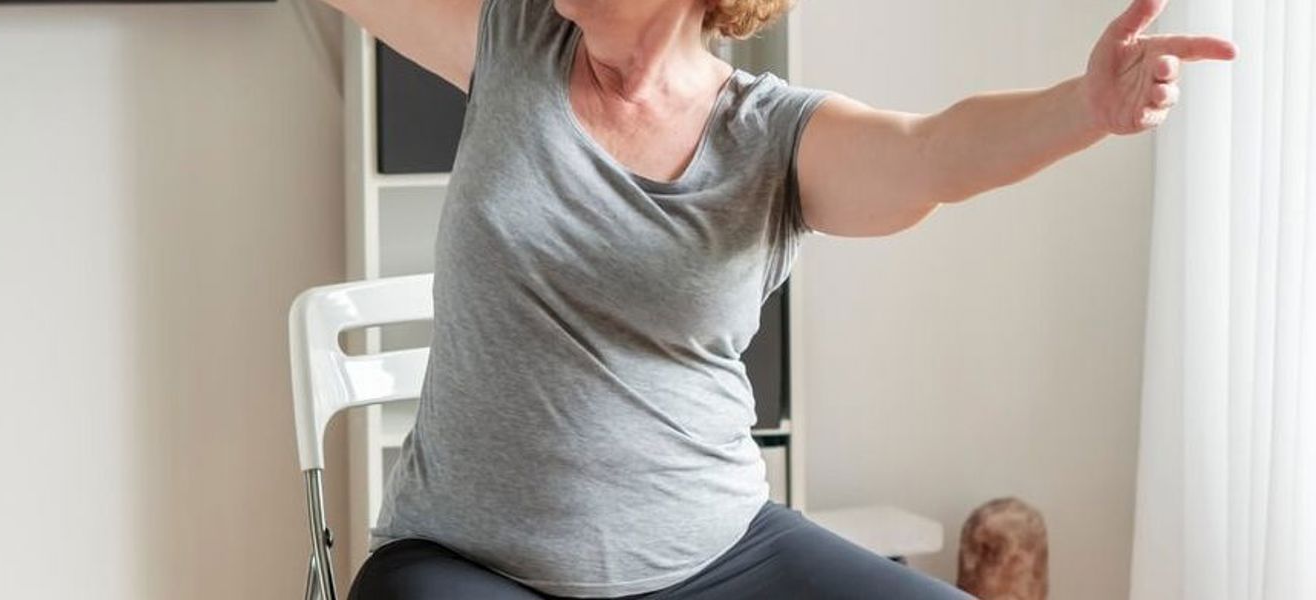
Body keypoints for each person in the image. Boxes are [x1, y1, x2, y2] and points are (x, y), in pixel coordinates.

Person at [311, 0, 1235, 597]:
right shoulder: (509, 37)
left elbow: (932, 153)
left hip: (720, 554)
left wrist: (1084, 107)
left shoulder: (769, 137)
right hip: (471, 563)